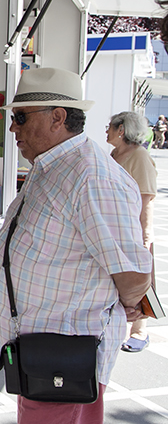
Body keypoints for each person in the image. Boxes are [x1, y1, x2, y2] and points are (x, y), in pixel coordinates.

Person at [0, 67, 152, 424]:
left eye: (20, 118)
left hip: (63, 357)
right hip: (42, 352)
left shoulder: (91, 177)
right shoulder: (57, 165)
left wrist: (131, 303)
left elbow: (132, 273)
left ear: (58, 117)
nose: (12, 129)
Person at [106, 111, 157, 352]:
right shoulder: (115, 153)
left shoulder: (140, 156)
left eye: (110, 126)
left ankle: (140, 331)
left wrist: (144, 238)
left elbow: (146, 198)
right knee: (122, 281)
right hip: (116, 226)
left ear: (121, 130)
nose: (106, 130)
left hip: (134, 229)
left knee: (139, 281)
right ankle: (123, 327)